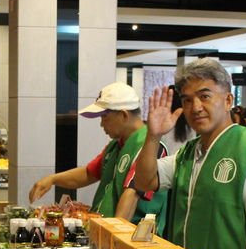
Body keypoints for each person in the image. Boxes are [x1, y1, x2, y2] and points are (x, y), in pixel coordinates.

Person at [134, 58, 246, 249]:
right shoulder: (189, 152)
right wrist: (153, 135)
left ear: (228, 100)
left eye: (205, 96)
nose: (196, 107)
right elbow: (145, 181)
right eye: (187, 100)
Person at [28, 82, 168, 228]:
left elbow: (132, 195)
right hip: (105, 231)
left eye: (104, 117)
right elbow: (89, 173)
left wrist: (113, 236)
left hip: (131, 237)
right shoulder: (116, 146)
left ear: (123, 115)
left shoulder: (149, 146)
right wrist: (52, 179)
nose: (101, 124)